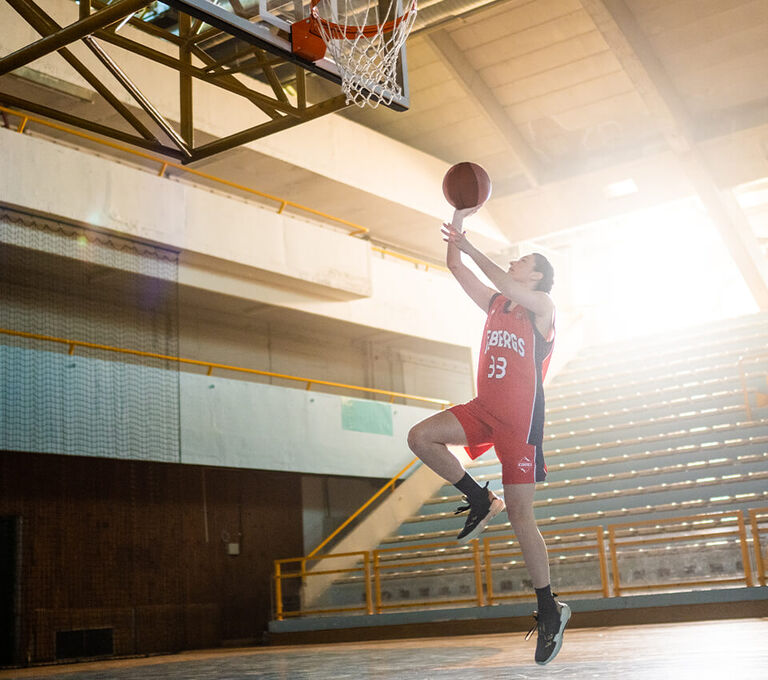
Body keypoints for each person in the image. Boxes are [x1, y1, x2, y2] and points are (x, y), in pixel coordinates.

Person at [406, 209, 570, 665]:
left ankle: (549, 609)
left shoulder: (544, 309)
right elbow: (456, 268)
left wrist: (473, 246)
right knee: (421, 437)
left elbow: (491, 272)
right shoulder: (498, 304)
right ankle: (479, 498)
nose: (513, 264)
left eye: (521, 262)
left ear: (537, 275)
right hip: (484, 409)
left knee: (522, 516)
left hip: (521, 423)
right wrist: (459, 220)